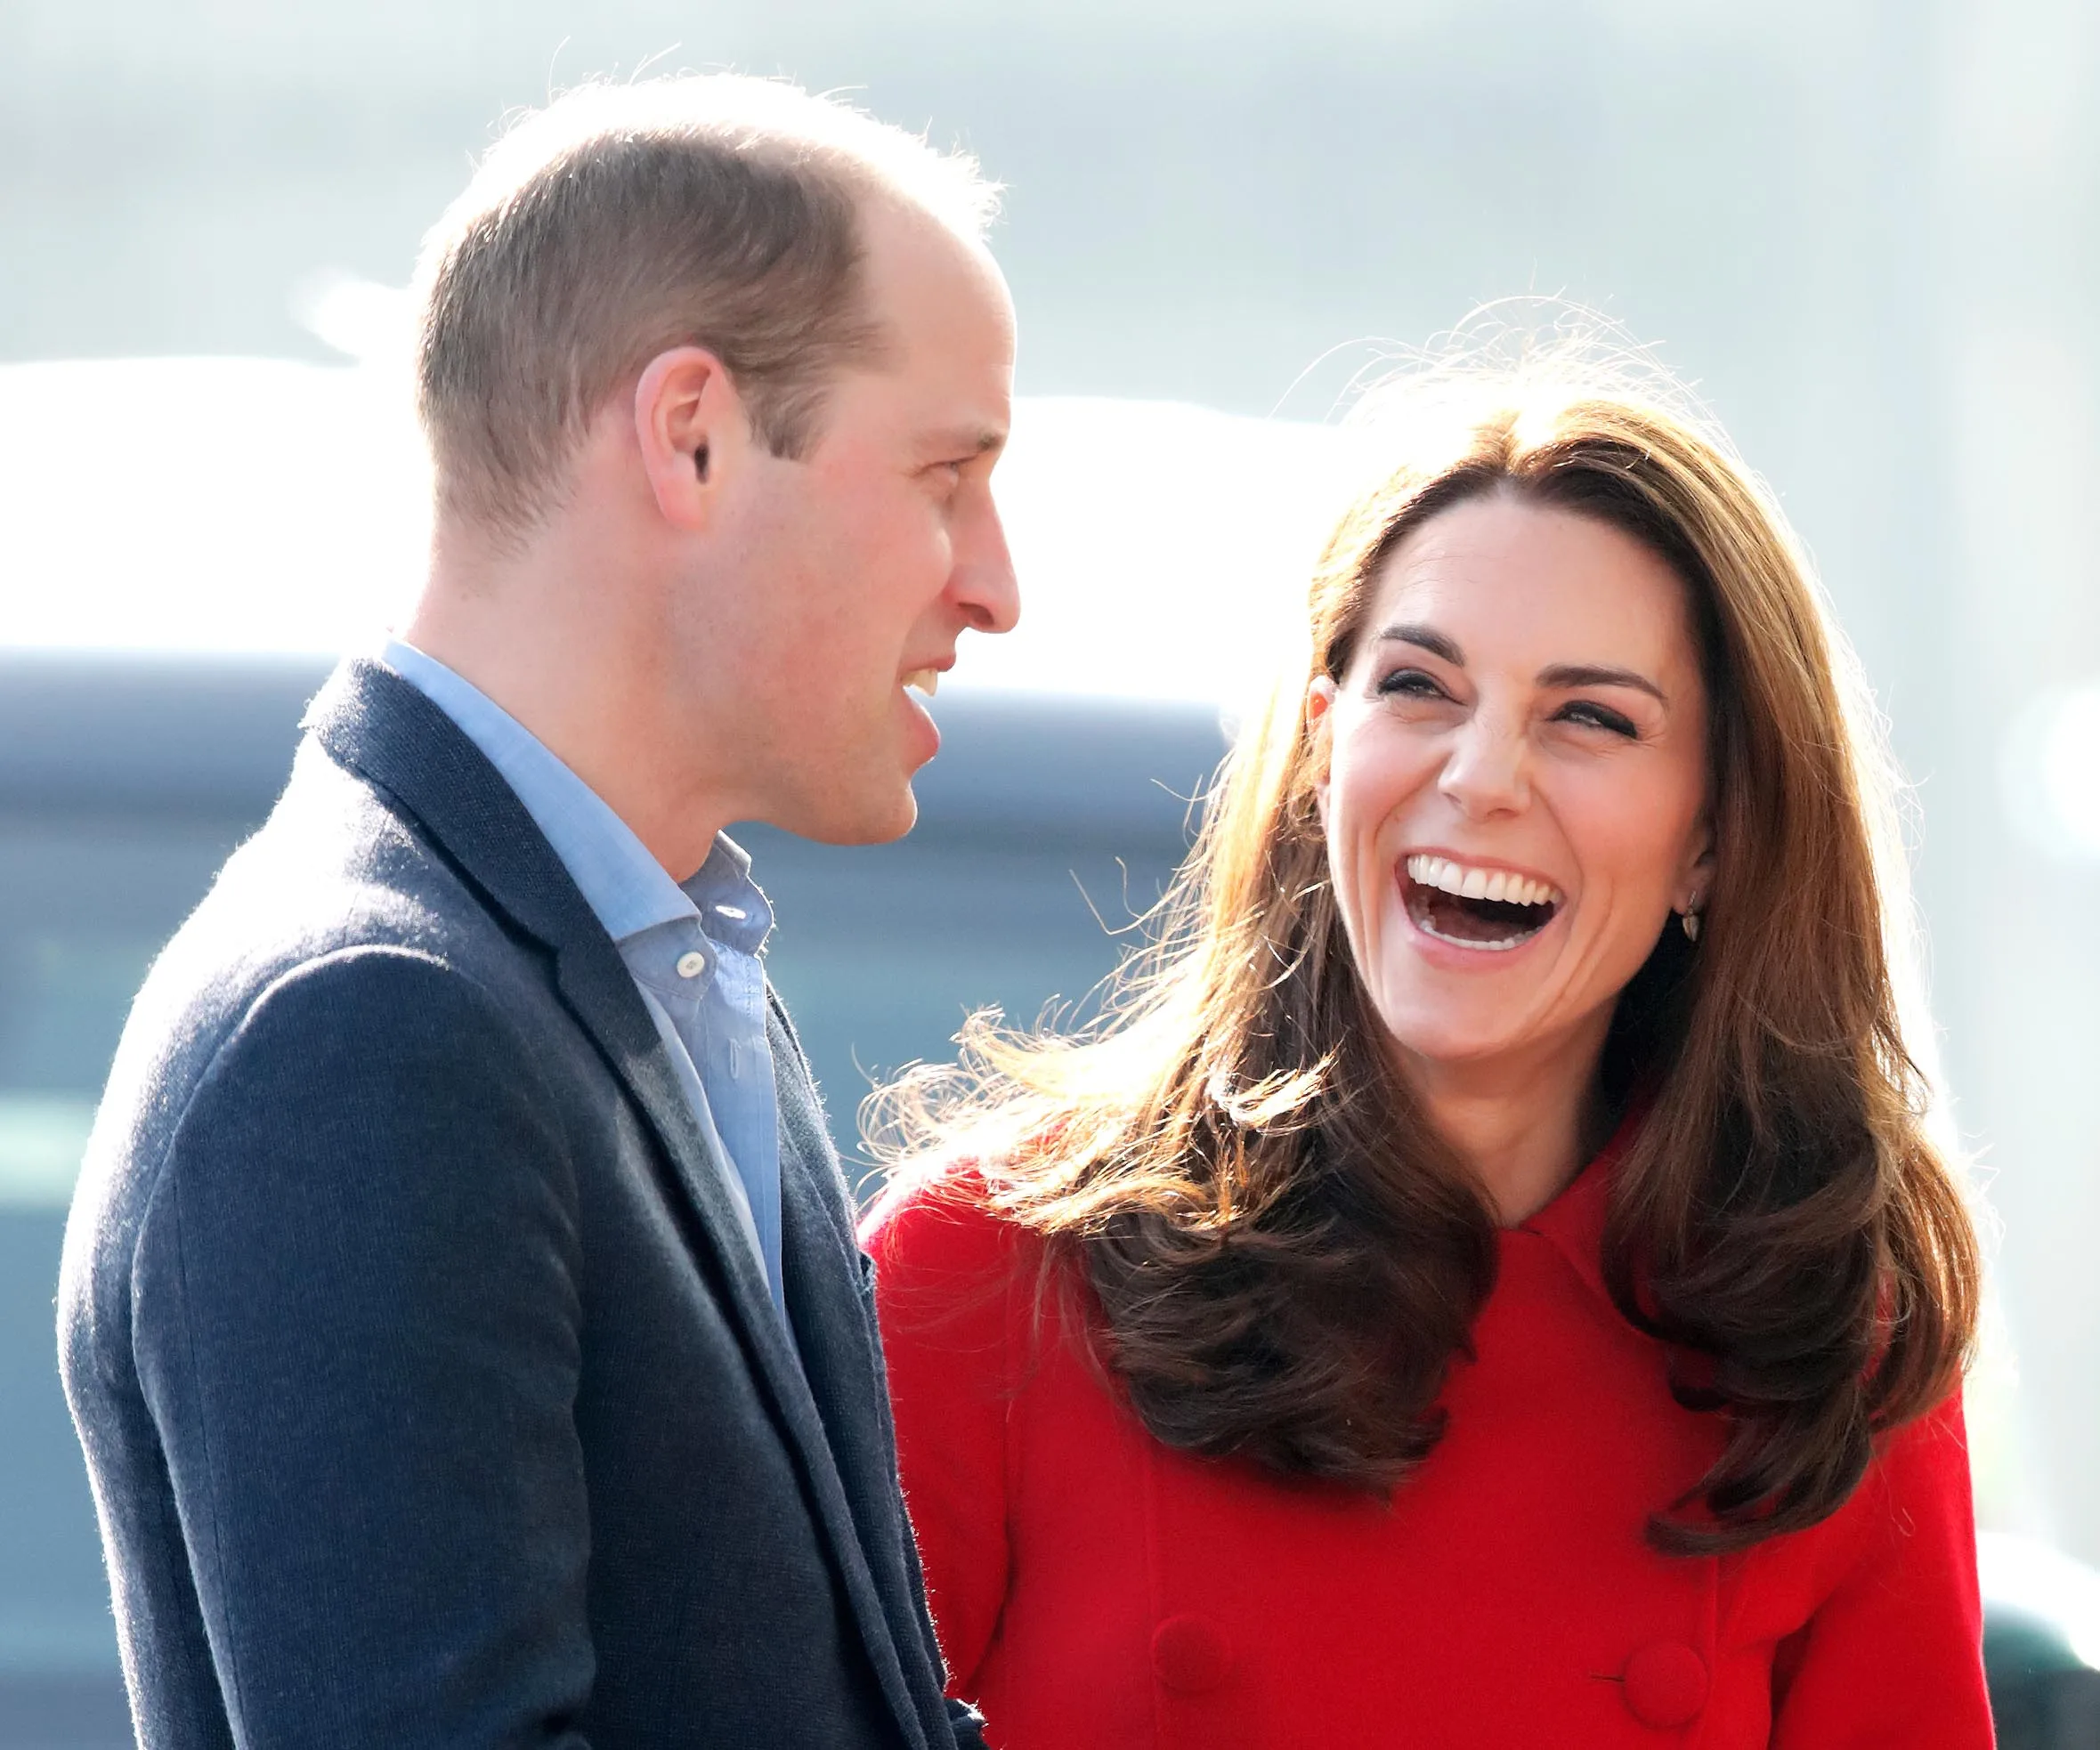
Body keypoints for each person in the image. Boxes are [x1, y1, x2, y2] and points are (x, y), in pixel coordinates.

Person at [60, 75, 1018, 1748]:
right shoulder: (366, 1029)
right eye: (947, 476)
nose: (995, 584)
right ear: (691, 435)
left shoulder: (662, 973)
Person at [861, 363, 1991, 1746]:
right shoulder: (985, 1273)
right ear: (1321, 752)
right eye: (1419, 685)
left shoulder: (1833, 1344)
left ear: (1714, 833)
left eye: (1590, 716)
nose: (1479, 775)